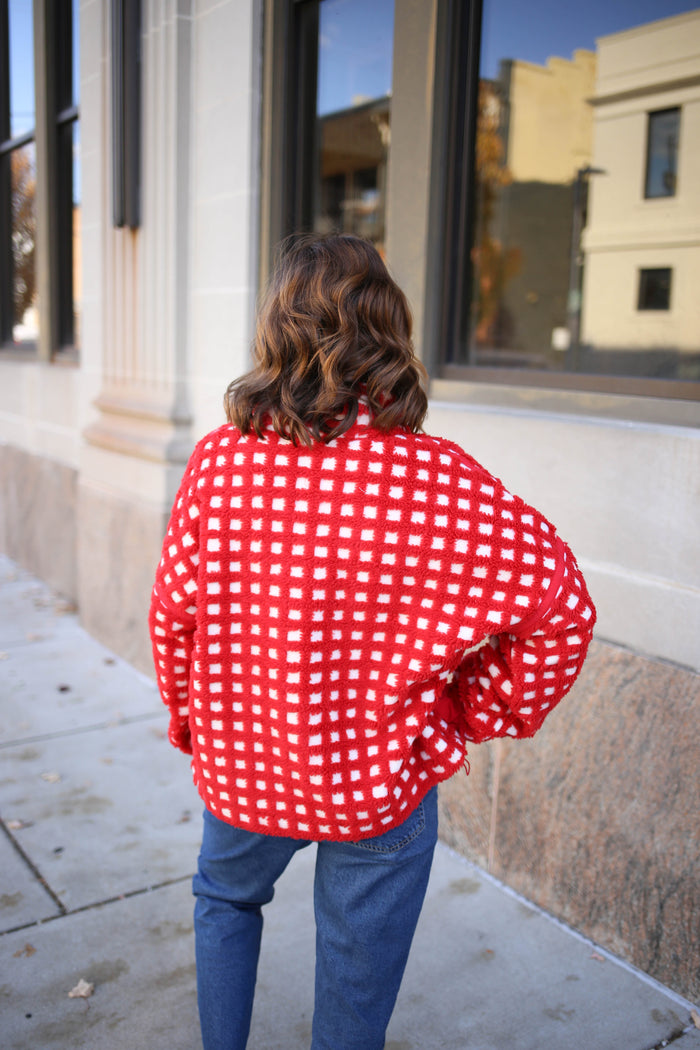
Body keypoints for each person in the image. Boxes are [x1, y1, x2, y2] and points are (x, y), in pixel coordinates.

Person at [149, 233, 596, 1050]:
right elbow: (561, 607)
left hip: (248, 758)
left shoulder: (219, 465)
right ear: (389, 331)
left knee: (224, 899)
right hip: (383, 774)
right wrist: (470, 711)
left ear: (275, 327)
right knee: (357, 974)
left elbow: (174, 615)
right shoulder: (439, 477)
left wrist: (192, 720)